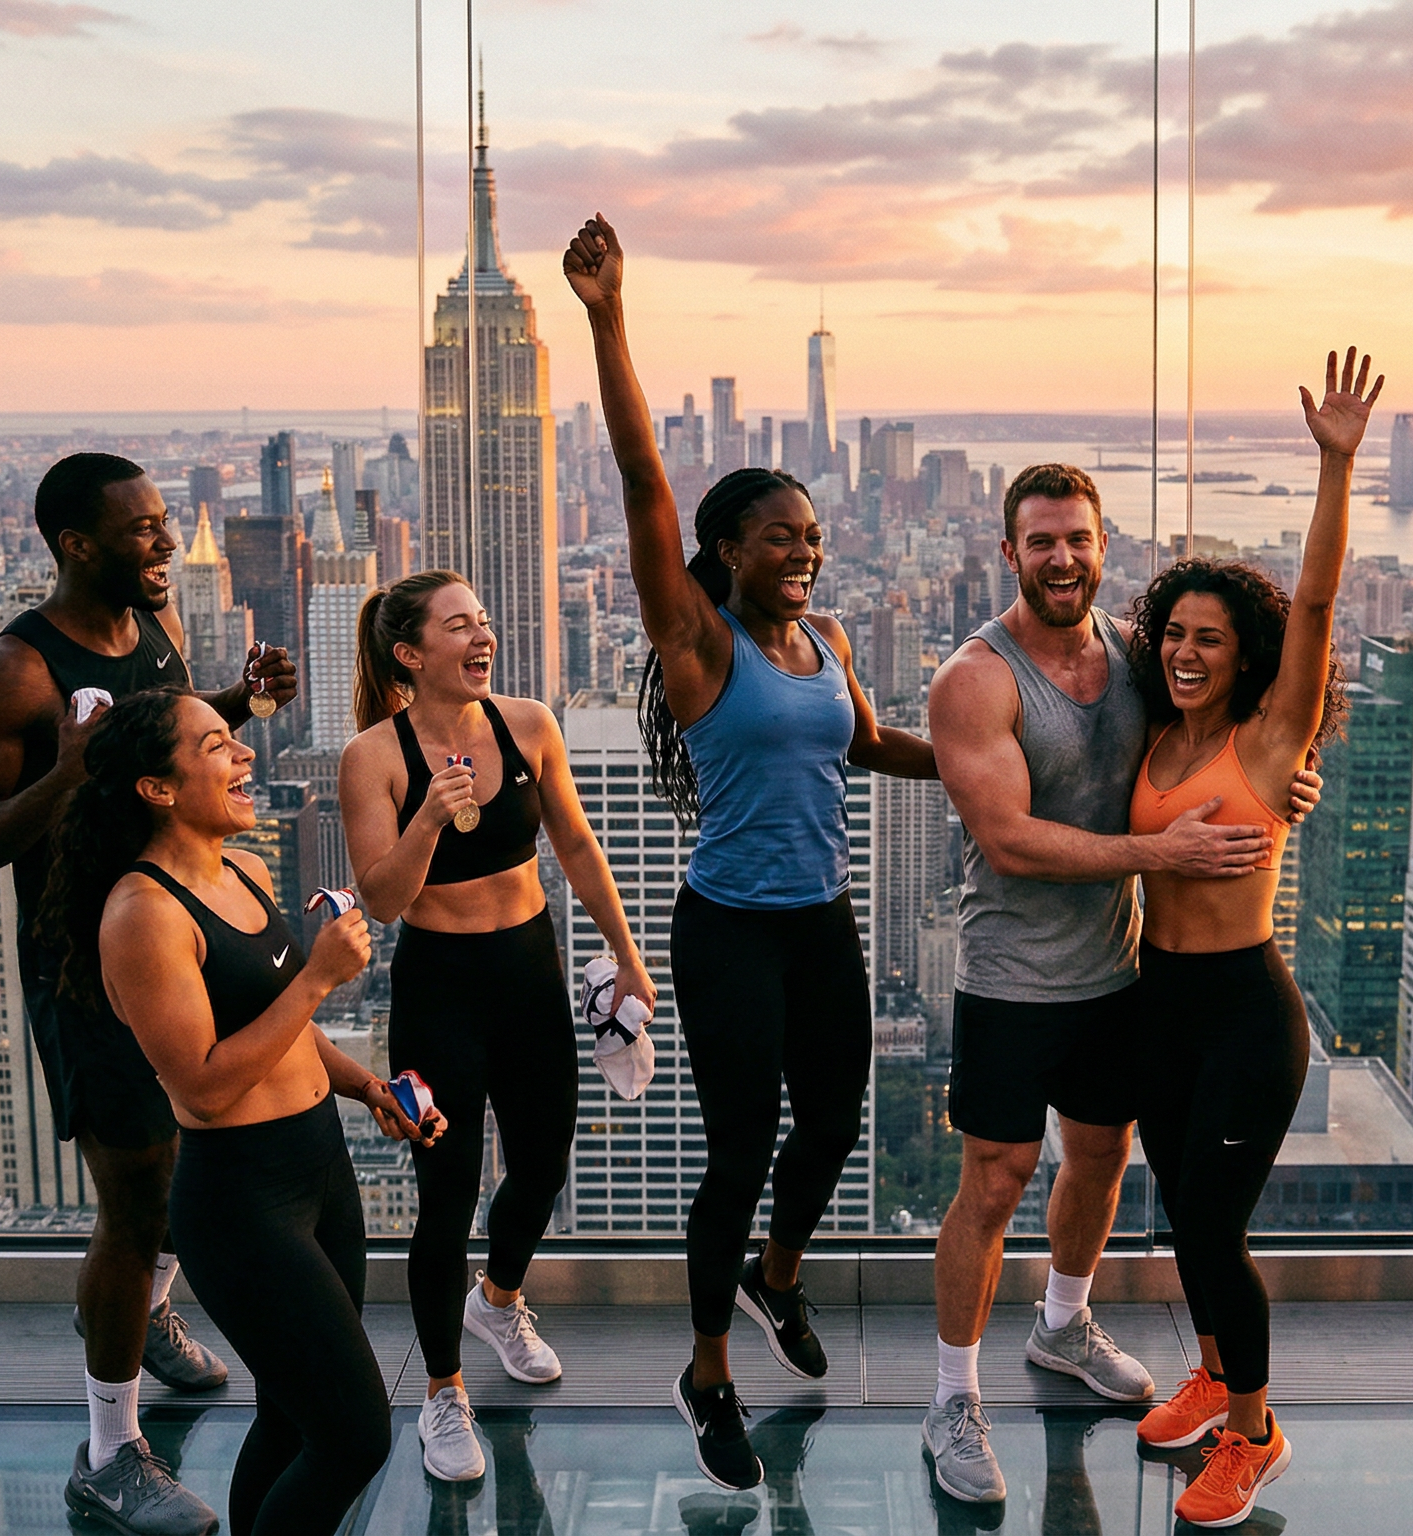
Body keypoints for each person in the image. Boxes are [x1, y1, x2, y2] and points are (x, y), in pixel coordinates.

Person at [564, 212, 938, 1492]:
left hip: (819, 918)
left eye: (811, 535)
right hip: (725, 925)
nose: (803, 549)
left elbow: (873, 747)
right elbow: (636, 479)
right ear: (726, 552)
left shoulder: (824, 637)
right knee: (736, 1150)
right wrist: (610, 320)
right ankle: (708, 1369)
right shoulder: (699, 643)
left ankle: (778, 1277)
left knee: (830, 1124)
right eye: (779, 535)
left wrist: (1006, 774)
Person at [919, 463, 1323, 1504]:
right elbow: (1005, 838)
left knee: (1103, 1164)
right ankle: (952, 1399)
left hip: (1125, 981)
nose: (1061, 557)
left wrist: (1288, 782)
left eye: (1078, 540)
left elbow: (1264, 687)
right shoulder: (976, 675)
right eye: (1040, 541)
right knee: (997, 1180)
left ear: (1104, 549)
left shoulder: (1137, 665)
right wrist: (1166, 859)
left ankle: (1066, 1328)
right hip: (1012, 976)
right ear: (1008, 552)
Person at [0, 452, 293, 1536]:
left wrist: (236, 702)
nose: (166, 544)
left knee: (182, 1164)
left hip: (180, 936)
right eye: (139, 531)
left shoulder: (150, 634)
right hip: (87, 973)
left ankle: (145, 1311)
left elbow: (149, 743)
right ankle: (109, 1451)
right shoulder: (18, 673)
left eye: (164, 525)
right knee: (134, 1199)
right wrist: (67, 774)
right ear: (74, 544)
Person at [1124, 348, 1382, 1529]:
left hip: (1242, 1006)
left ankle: (1256, 1430)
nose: (1186, 652)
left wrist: (1333, 468)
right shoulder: (1152, 735)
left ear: (1246, 655)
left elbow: (1318, 603)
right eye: (1174, 632)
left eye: (1210, 639)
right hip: (1155, 1001)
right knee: (1182, 1208)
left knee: (1215, 1225)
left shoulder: (1269, 742)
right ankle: (1219, 1370)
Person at [48, 688, 404, 1536]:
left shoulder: (241, 867)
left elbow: (278, 1023)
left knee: (294, 1415)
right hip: (244, 1201)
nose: (245, 754)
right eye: (217, 745)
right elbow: (202, 1085)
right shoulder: (143, 916)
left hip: (321, 1165)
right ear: (158, 788)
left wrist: (362, 1086)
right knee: (356, 1435)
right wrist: (320, 974)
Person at [337, 568, 658, 1483]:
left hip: (529, 971)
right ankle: (443, 1393)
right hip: (441, 988)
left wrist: (627, 954)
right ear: (410, 653)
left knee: (545, 1161)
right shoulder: (376, 756)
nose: (481, 638)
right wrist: (433, 813)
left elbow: (577, 846)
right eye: (457, 627)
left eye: (484, 620)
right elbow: (386, 900)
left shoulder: (529, 724)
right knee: (444, 1194)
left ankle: (500, 1298)